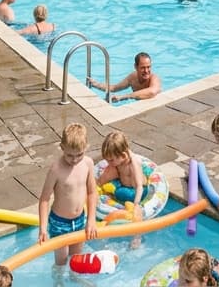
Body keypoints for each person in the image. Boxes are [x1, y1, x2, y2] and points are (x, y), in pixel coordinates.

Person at [37, 123, 98, 266]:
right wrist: (43, 229)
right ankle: (58, 282)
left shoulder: (88, 163)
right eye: (69, 155)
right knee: (61, 262)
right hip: (59, 223)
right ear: (62, 147)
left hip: (80, 219)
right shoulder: (56, 169)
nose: (75, 159)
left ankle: (73, 279)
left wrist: (91, 219)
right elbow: (44, 200)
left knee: (76, 260)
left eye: (79, 154)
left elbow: (92, 192)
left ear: (86, 147)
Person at [96, 131, 147, 213]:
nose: (108, 163)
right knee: (110, 171)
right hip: (123, 184)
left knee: (121, 193)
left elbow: (139, 186)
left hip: (136, 191)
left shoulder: (133, 164)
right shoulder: (119, 158)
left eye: (111, 160)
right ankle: (97, 186)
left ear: (123, 156)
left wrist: (136, 205)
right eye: (107, 160)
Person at [88, 52, 162, 103]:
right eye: (143, 68)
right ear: (135, 67)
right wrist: (95, 84)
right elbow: (114, 88)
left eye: (148, 67)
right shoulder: (133, 77)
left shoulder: (154, 78)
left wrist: (124, 97)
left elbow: (152, 92)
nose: (146, 71)